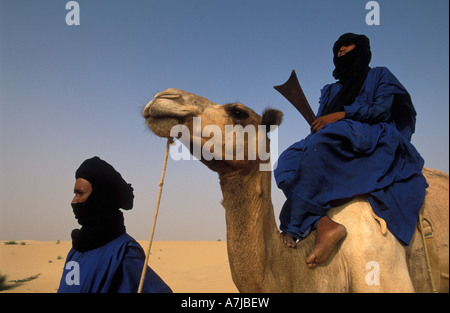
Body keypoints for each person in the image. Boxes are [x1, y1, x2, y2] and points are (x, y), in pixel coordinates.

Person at [274, 33, 427, 269]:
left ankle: (293, 227)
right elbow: (323, 121)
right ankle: (324, 223)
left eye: (348, 45)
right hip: (331, 134)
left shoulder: (380, 75)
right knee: (286, 162)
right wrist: (319, 121)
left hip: (371, 132)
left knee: (322, 143)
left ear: (362, 50)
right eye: (338, 47)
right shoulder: (331, 89)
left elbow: (381, 111)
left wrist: (341, 114)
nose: (342, 50)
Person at [58, 156, 172, 293]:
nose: (74, 201)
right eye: (75, 193)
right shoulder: (77, 250)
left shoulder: (123, 252)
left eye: (80, 193)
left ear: (99, 198)